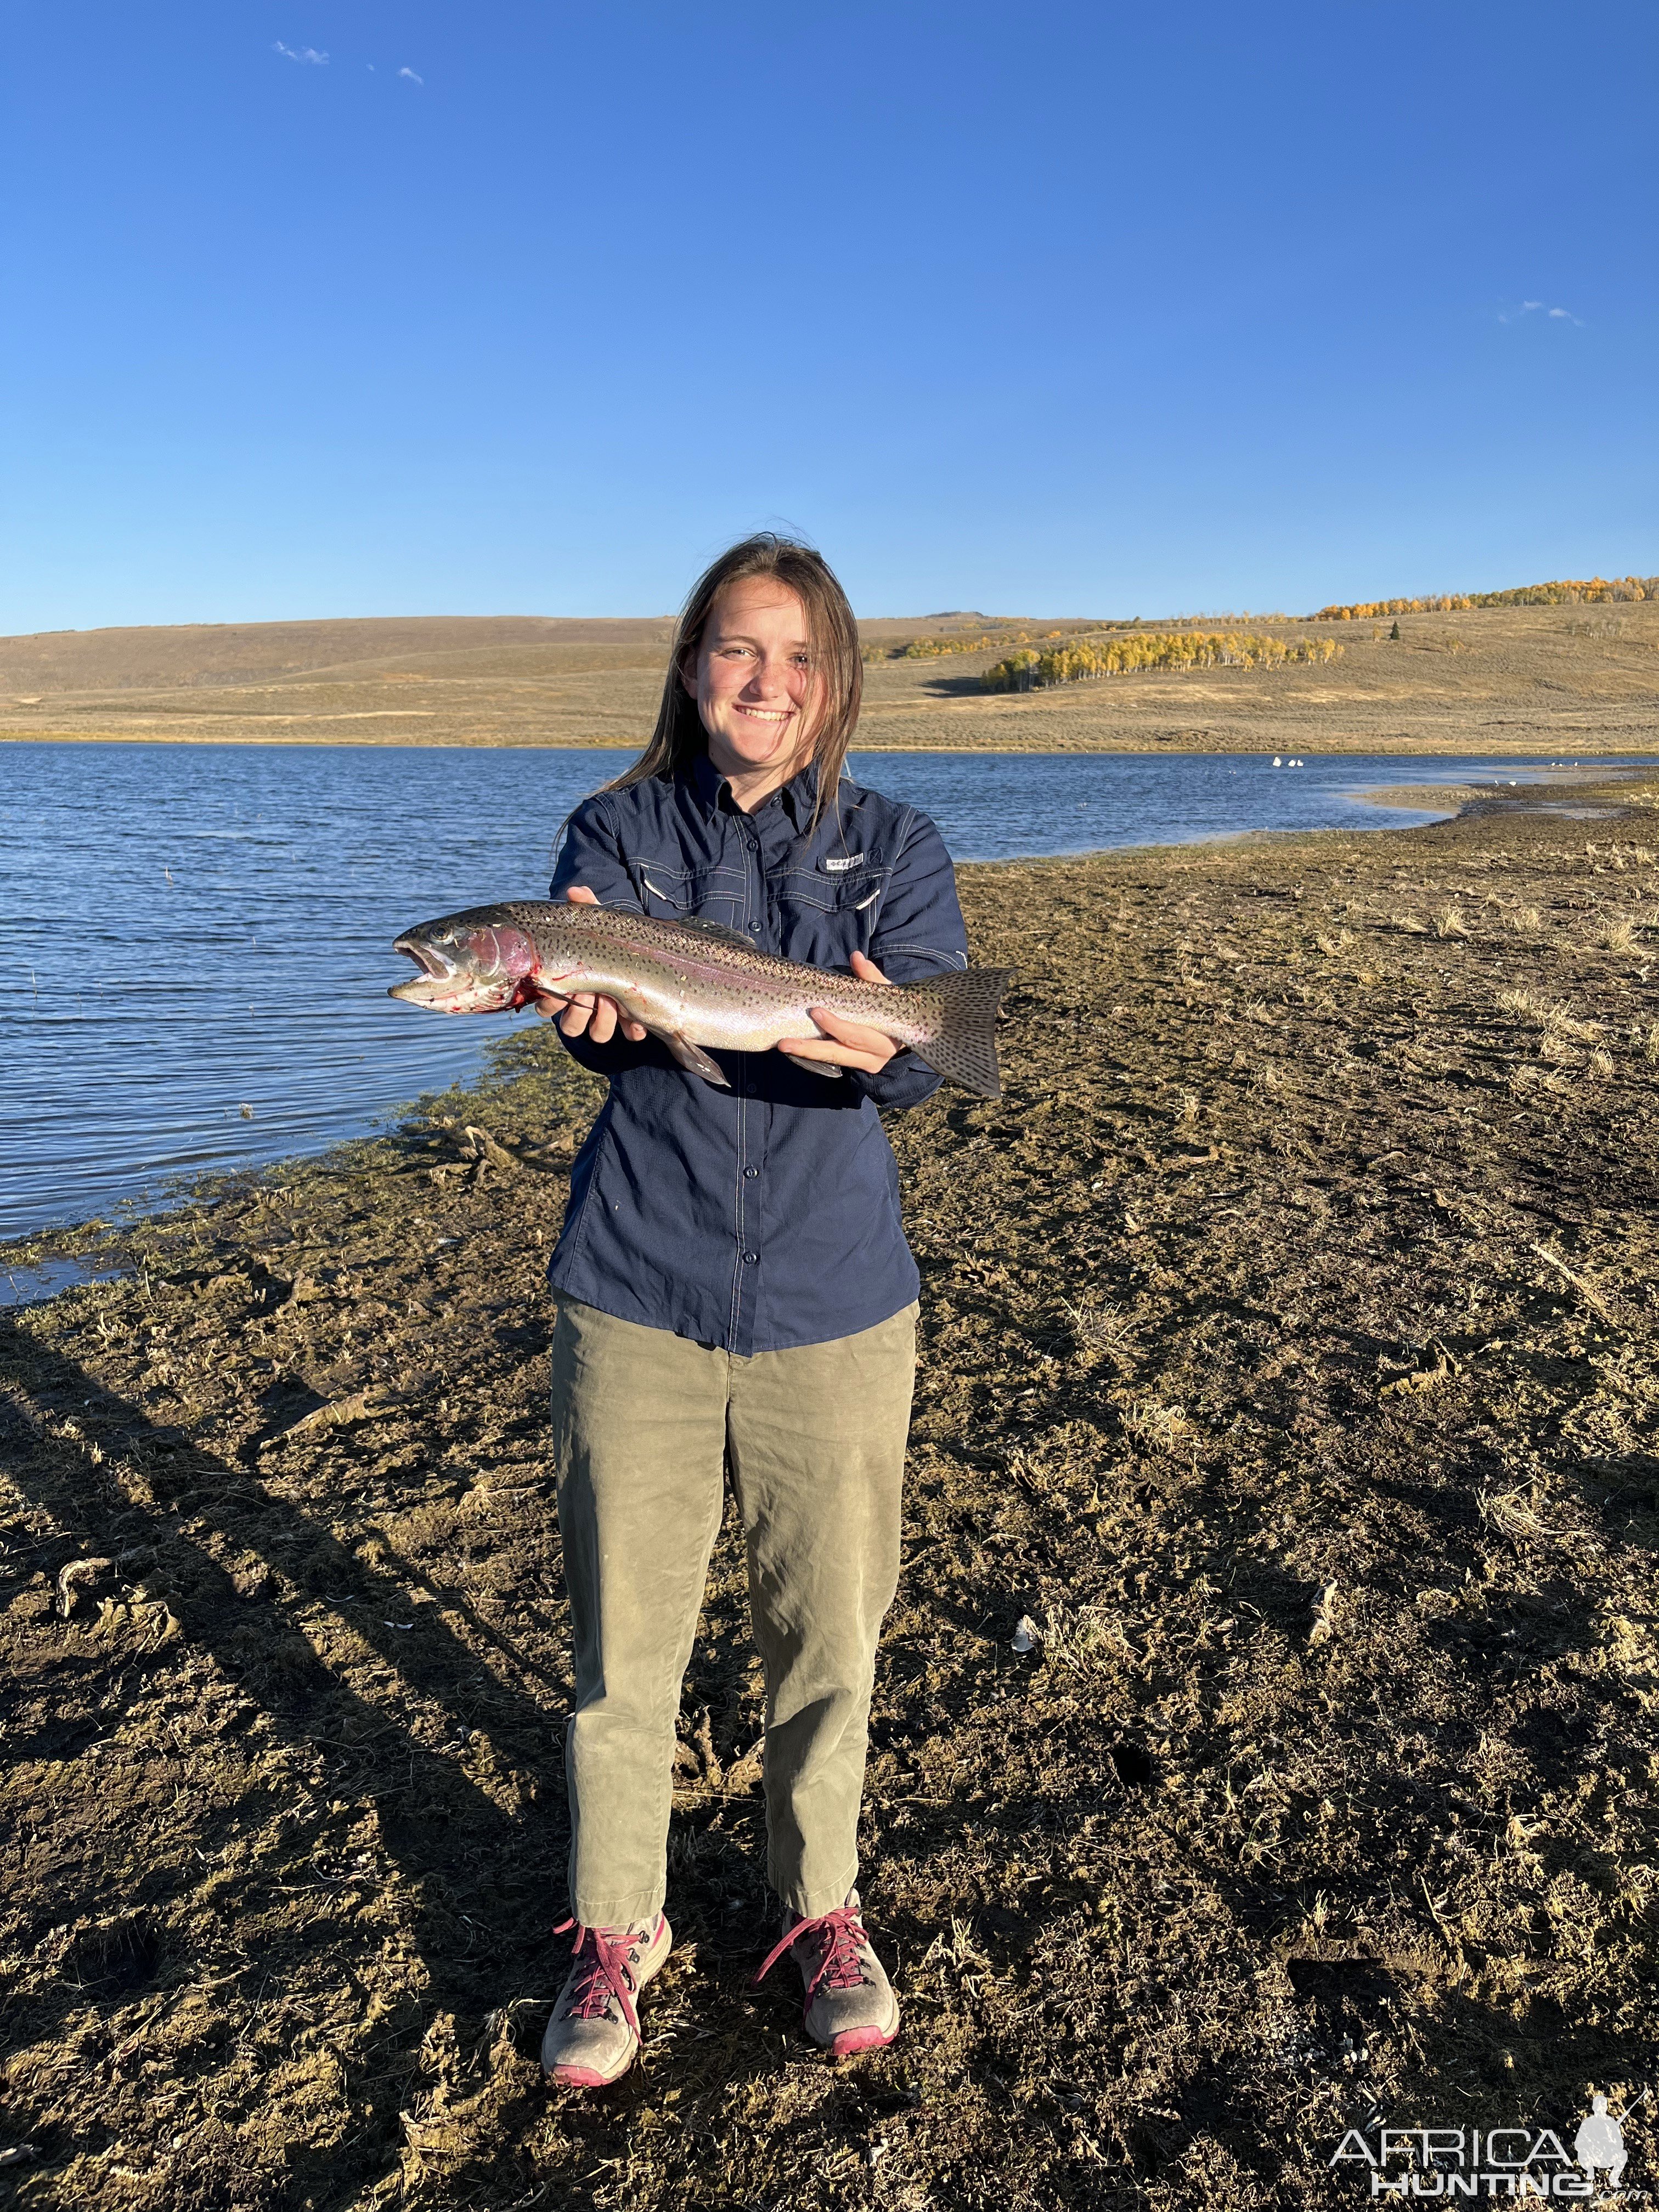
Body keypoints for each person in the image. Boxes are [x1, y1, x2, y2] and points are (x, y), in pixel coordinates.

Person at [527, 533, 970, 2089]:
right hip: (633, 1286)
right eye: (735, 650)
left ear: (833, 679)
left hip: (840, 1300)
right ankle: (611, 1927)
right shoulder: (614, 826)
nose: (763, 683)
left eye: (793, 657)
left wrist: (898, 1043)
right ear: (692, 666)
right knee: (622, 1639)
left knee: (827, 1634)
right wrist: (588, 1021)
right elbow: (611, 1035)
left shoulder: (899, 844)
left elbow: (920, 1044)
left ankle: (817, 1909)